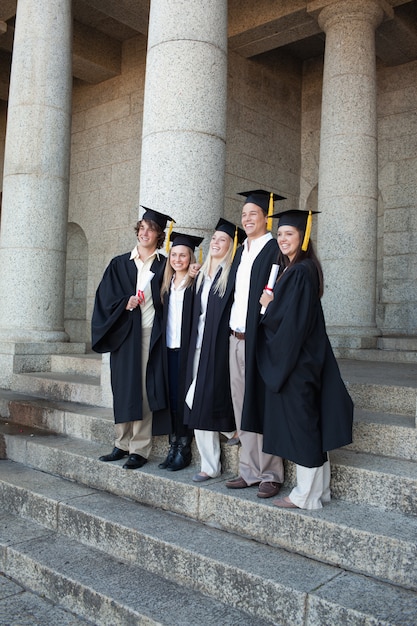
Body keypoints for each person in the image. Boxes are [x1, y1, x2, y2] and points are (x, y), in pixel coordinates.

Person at [256, 208, 354, 509]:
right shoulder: (299, 268)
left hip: (298, 362)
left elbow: (291, 321)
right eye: (281, 234)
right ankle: (319, 491)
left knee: (302, 427)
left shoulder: (300, 271)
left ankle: (305, 496)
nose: (283, 239)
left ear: (303, 236)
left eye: (290, 234)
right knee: (308, 424)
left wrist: (269, 306)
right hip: (306, 358)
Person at [91, 207, 175, 470]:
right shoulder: (119, 264)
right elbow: (104, 298)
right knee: (123, 386)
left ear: (159, 235)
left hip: (150, 333)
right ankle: (121, 442)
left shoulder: (164, 265)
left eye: (151, 229)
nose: (145, 233)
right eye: (142, 228)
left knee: (143, 390)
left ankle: (139, 448)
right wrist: (123, 304)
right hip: (124, 333)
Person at [225, 189, 286, 499]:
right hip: (235, 339)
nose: (247, 218)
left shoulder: (274, 250)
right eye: (244, 213)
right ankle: (248, 470)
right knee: (242, 406)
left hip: (259, 341)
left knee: (262, 405)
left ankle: (271, 472)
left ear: (266, 217)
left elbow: (278, 296)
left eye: (254, 214)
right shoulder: (242, 250)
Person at [183, 218, 245, 482]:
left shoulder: (232, 274)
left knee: (198, 399)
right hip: (196, 345)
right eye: (215, 239)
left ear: (231, 246)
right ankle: (219, 450)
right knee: (195, 400)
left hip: (218, 346)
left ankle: (229, 434)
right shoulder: (201, 274)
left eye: (223, 240)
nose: (216, 243)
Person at [158, 231, 203, 471]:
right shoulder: (166, 285)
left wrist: (198, 271)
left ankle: (184, 447)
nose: (177, 259)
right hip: (169, 349)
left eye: (183, 255)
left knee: (185, 399)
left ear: (190, 258)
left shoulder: (195, 283)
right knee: (172, 399)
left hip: (187, 349)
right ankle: (173, 445)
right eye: (174, 254)